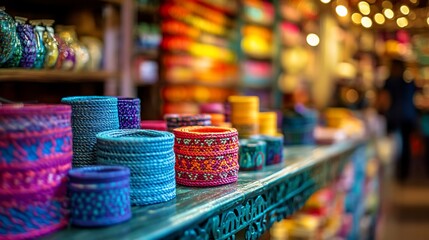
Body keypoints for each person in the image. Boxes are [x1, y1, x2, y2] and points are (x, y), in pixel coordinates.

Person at [379, 59, 417, 182]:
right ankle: (403, 173)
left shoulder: (390, 82)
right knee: (405, 145)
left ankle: (393, 172)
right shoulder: (409, 82)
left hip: (395, 117)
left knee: (392, 144)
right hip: (407, 116)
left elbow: (384, 99)